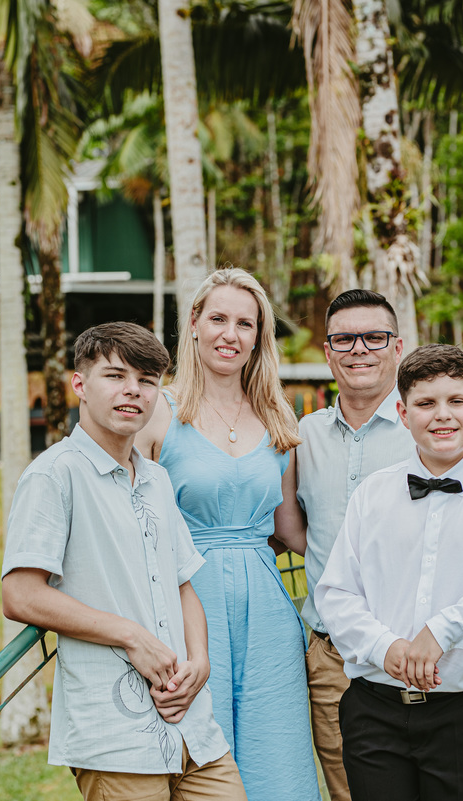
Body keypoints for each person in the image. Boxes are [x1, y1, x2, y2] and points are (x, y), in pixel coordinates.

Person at [1, 322, 246, 801]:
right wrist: (132, 636)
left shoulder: (156, 479)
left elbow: (182, 583)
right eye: (115, 376)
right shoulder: (54, 475)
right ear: (79, 384)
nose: (133, 390)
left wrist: (200, 661)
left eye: (147, 380)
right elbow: (20, 594)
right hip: (114, 734)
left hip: (193, 726)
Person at [314, 344, 463, 801]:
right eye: (426, 403)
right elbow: (336, 593)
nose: (442, 415)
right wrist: (384, 647)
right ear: (403, 414)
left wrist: (446, 627)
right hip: (373, 710)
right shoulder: (372, 494)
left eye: (456, 401)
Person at [277, 289, 463, 801]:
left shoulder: (437, 427)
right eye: (344, 339)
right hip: (334, 654)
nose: (359, 349)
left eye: (374, 337)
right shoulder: (305, 435)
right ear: (328, 352)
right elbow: (295, 531)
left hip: (424, 656)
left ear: (397, 347)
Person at [137, 268, 320, 801]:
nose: (230, 334)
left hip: (267, 609)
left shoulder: (277, 414)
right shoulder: (159, 411)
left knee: (277, 758)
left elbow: (290, 528)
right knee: (200, 755)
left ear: (259, 336)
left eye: (246, 324)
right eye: (218, 318)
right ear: (194, 323)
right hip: (189, 604)